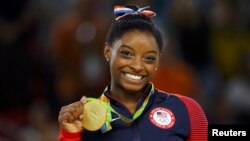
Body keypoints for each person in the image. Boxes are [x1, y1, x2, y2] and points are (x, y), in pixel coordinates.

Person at [58, 5, 208, 141]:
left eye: (149, 58)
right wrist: (70, 135)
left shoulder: (186, 109)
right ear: (108, 52)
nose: (137, 66)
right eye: (127, 54)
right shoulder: (85, 118)